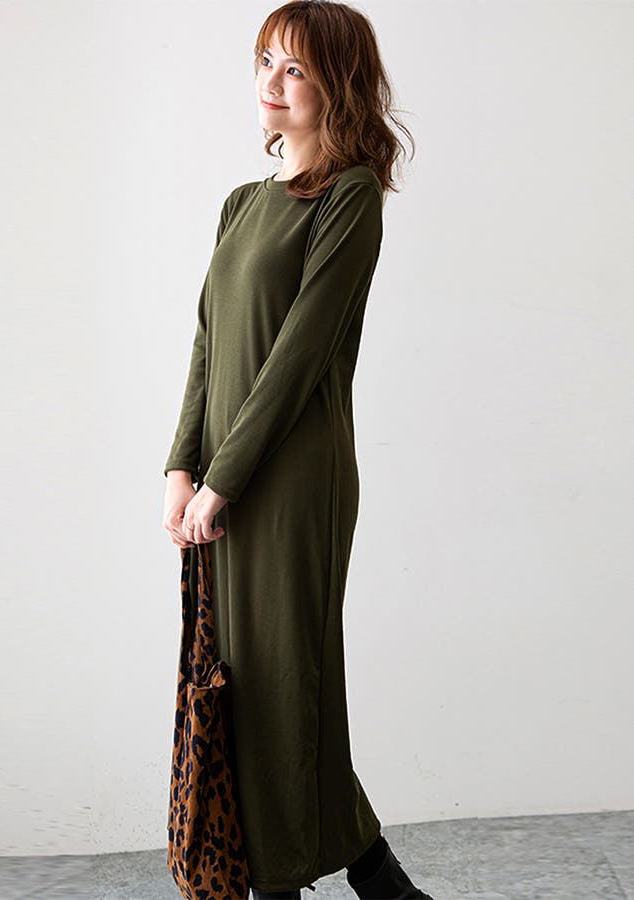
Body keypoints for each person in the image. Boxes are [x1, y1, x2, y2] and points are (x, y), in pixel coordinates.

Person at [161, 2, 432, 899]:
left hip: (293, 483)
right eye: (265, 62)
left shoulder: (350, 197)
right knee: (247, 692)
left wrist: (224, 482)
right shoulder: (241, 205)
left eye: (296, 69)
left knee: (286, 684)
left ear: (336, 87)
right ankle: (379, 879)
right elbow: (208, 345)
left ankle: (288, 881)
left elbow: (297, 355)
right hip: (223, 484)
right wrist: (181, 469)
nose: (272, 83)